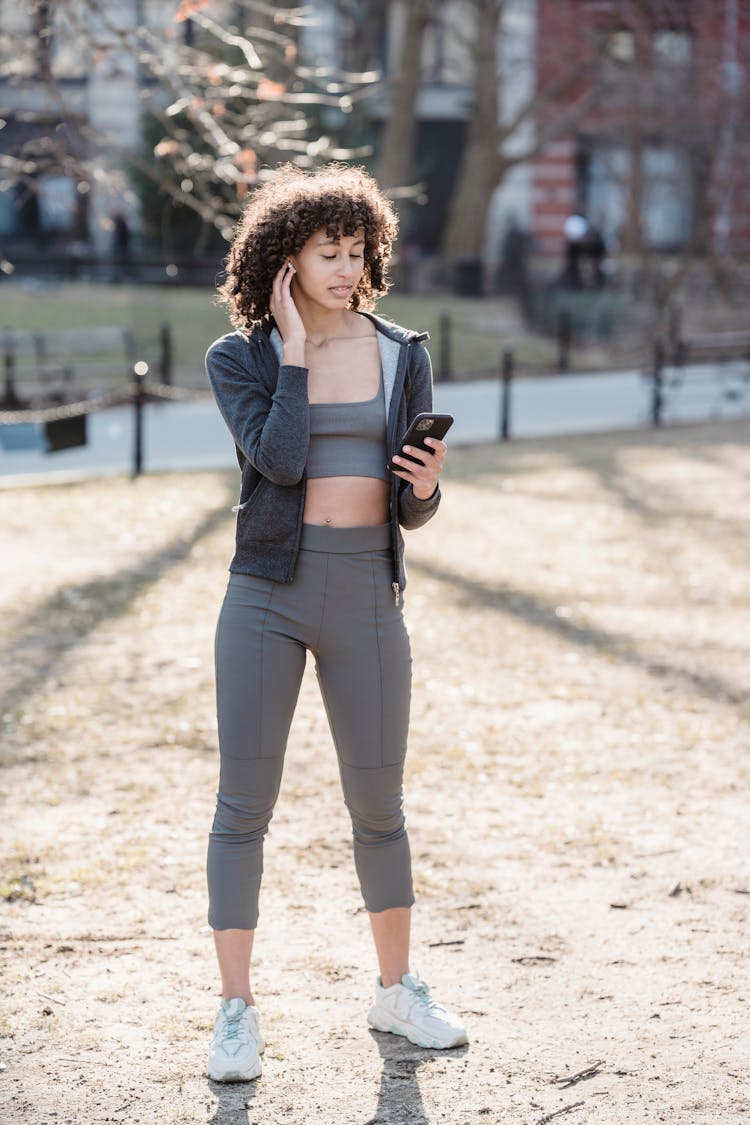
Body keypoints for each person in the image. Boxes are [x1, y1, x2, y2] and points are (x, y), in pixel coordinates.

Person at [203, 162, 468, 1083]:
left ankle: (397, 987)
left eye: (358, 251)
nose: (348, 268)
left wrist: (427, 491)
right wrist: (290, 349)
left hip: (365, 591)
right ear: (285, 260)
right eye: (329, 252)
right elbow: (278, 462)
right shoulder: (238, 357)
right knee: (244, 807)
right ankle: (236, 1011)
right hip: (266, 594)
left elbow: (409, 505)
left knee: (379, 806)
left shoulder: (402, 351)